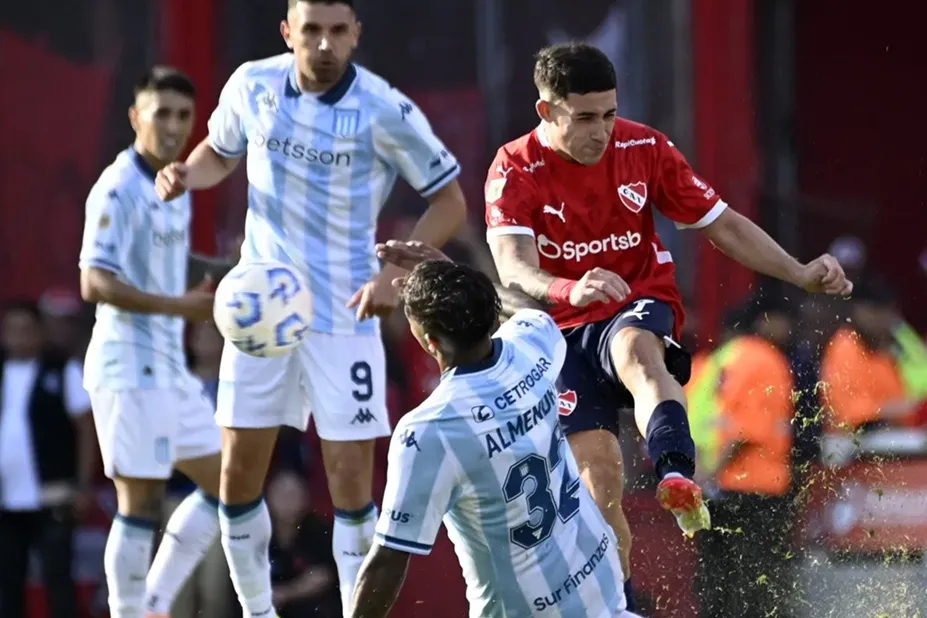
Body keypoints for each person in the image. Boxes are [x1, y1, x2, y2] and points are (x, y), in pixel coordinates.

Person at [482, 42, 852, 607]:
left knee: (636, 351)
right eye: (585, 118)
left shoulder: (643, 147)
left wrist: (798, 272)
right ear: (547, 111)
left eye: (608, 114)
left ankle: (676, 472)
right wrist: (567, 287)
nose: (602, 131)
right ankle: (618, 603)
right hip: (558, 327)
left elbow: (722, 224)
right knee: (598, 485)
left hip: (635, 299)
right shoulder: (514, 167)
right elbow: (510, 267)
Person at [154, 1, 467, 615]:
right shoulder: (252, 84)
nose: (323, 44)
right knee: (238, 476)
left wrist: (391, 275)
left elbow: (450, 200)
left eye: (336, 31)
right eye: (311, 31)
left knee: (351, 481)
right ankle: (257, 611)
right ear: (287, 33)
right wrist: (186, 175)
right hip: (261, 308)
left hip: (343, 313)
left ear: (355, 35)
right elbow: (221, 152)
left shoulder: (384, 108)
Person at [350, 244, 640, 618]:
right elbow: (531, 312)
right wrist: (456, 272)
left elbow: (388, 560)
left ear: (428, 342)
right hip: (604, 595)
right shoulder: (534, 347)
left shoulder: (429, 430)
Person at [79, 67, 233, 618]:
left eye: (183, 115)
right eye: (160, 112)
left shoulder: (175, 182)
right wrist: (181, 307)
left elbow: (167, 261)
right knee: (139, 500)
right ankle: (130, 611)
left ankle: (155, 603)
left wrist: (231, 269)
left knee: (228, 488)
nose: (172, 125)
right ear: (135, 116)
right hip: (127, 365)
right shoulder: (117, 187)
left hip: (170, 367)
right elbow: (93, 281)